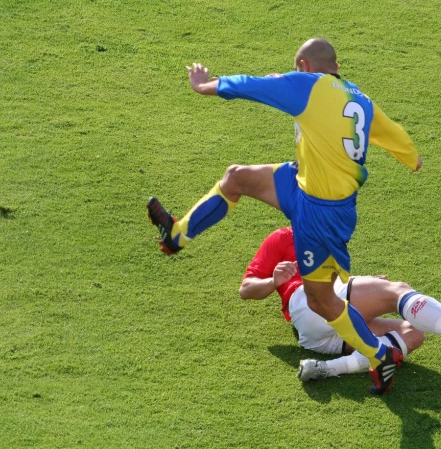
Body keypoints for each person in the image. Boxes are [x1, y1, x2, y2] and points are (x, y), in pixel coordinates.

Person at [147, 38, 421, 394]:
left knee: (322, 300)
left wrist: (205, 86)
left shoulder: (309, 84)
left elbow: (255, 85)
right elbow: (393, 133)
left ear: (304, 66)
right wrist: (411, 157)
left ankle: (377, 354)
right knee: (236, 177)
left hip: (320, 209)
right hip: (302, 181)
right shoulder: (360, 99)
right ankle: (176, 235)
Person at [240, 227, 441, 381]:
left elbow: (340, 283)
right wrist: (273, 281)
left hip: (316, 338)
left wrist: (367, 282)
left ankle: (328, 368)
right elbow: (246, 289)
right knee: (397, 291)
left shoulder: (329, 238)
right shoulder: (281, 238)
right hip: (310, 304)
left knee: (413, 333)